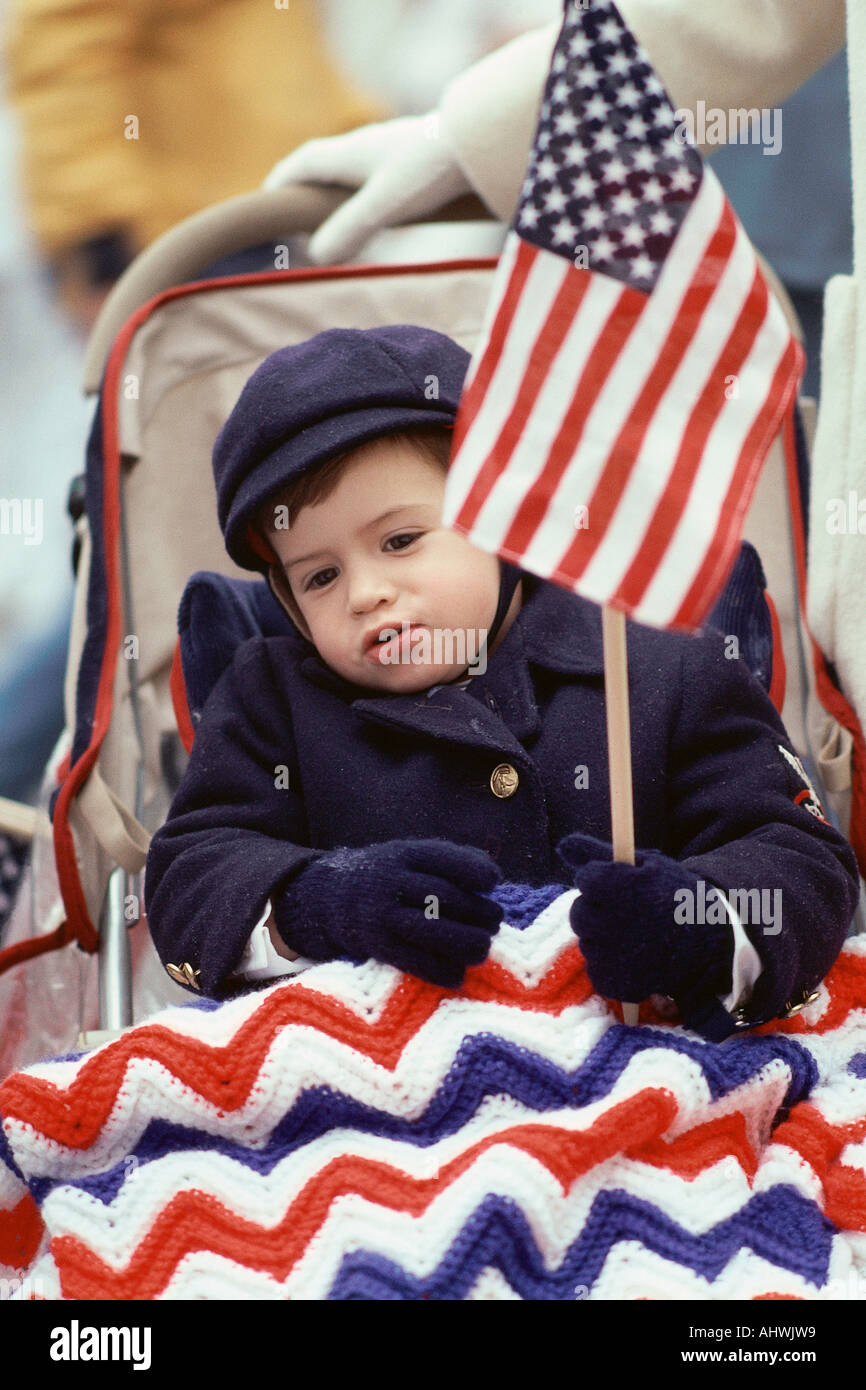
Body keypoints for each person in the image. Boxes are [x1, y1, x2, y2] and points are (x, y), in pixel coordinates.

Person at [143, 324, 860, 1044]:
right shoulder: (271, 698)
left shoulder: (661, 662)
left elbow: (799, 858)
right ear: (288, 600)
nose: (365, 593)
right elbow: (187, 882)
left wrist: (695, 923)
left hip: (651, 1065)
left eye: (400, 541)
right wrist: (318, 903)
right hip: (369, 1091)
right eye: (320, 576)